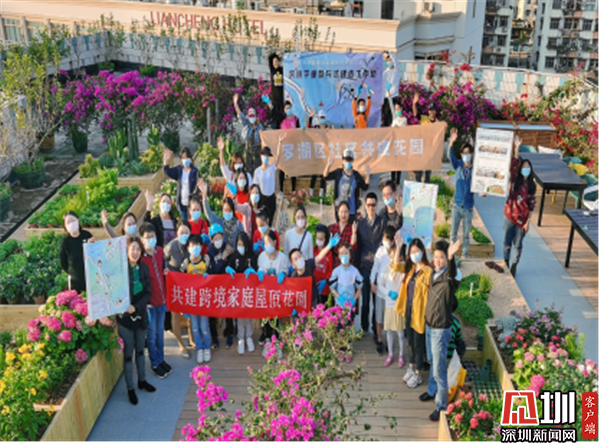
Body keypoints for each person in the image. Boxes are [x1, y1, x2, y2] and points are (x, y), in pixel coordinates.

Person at [419, 239, 461, 422]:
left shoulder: (449, 277)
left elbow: (452, 274)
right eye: (436, 257)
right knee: (431, 361)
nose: (437, 260)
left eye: (441, 257)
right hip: (430, 326)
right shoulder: (434, 273)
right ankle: (432, 390)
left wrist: (451, 258)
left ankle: (441, 406)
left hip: (440, 329)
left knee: (439, 370)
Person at [118, 237, 156, 405]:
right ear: (127, 250)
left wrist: (136, 306)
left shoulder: (143, 269)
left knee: (140, 350)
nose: (135, 252)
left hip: (140, 315)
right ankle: (130, 388)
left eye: (138, 249)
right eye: (132, 248)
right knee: (128, 354)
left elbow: (148, 293)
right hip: (125, 318)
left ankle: (142, 380)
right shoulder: (120, 270)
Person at [393, 237, 432, 390]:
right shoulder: (410, 268)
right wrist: (398, 247)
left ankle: (418, 373)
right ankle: (411, 366)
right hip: (408, 308)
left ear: (422, 251)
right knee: (409, 339)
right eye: (412, 251)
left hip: (420, 311)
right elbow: (396, 266)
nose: (415, 254)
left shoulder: (428, 271)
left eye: (417, 251)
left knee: (418, 342)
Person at [352, 192, 387, 343]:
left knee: (376, 301)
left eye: (373, 205)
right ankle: (364, 327)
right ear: (365, 207)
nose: (371, 208)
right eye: (368, 205)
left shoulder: (382, 222)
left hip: (378, 267)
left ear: (377, 205)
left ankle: (375, 328)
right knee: (365, 301)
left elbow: (395, 229)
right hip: (365, 266)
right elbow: (357, 247)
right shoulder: (360, 224)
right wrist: (357, 267)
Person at [139, 222, 172, 379]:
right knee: (151, 335)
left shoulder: (159, 252)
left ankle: (161, 359)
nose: (150, 240)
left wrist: (166, 272)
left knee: (160, 333)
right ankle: (154, 363)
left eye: (152, 236)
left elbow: (163, 269)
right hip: (150, 305)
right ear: (142, 240)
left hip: (162, 301)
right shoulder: (141, 258)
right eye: (147, 237)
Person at [504, 136, 536, 277]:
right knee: (507, 243)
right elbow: (515, 163)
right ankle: (505, 262)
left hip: (522, 221)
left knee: (518, 245)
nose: (525, 169)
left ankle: (514, 265)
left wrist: (528, 222)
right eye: (524, 167)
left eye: (528, 167)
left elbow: (532, 205)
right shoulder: (515, 180)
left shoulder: (531, 186)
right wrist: (516, 148)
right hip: (510, 216)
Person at [371, 226, 404, 361]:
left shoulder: (397, 254)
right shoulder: (380, 251)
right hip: (382, 291)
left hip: (394, 298)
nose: (385, 242)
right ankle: (380, 341)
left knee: (394, 324)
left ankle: (399, 351)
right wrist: (372, 282)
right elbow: (375, 267)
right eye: (384, 239)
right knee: (380, 318)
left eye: (387, 239)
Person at [329, 241, 364, 362]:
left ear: (350, 255)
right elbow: (332, 288)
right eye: (341, 253)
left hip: (350, 306)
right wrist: (339, 297)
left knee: (348, 328)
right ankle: (341, 350)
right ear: (338, 256)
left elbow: (359, 287)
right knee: (339, 328)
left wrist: (354, 300)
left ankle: (348, 350)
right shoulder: (336, 271)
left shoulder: (355, 271)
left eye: (346, 253)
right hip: (339, 305)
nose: (344, 256)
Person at [164, 220, 194, 358]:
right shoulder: (170, 247)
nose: (184, 235)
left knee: (191, 313)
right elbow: (162, 260)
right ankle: (181, 344)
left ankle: (191, 339)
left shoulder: (192, 245)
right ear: (177, 233)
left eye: (187, 232)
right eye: (182, 232)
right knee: (175, 315)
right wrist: (165, 270)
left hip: (189, 285)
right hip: (174, 285)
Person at [448, 127, 479, 258]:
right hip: (457, 205)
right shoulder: (458, 166)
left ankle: (465, 255)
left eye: (468, 153)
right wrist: (452, 142)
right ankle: (452, 254)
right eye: (464, 153)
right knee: (453, 233)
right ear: (461, 155)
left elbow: (480, 185)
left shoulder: (475, 170)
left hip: (468, 207)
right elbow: (450, 156)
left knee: (466, 234)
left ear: (472, 154)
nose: (466, 155)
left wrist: (483, 192)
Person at [257, 230, 290, 351]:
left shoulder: (282, 258)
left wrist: (283, 273)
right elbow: (260, 268)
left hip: (277, 293)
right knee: (265, 317)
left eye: (269, 242)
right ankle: (267, 338)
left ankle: (275, 340)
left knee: (276, 318)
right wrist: (260, 272)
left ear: (275, 242)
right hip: (265, 293)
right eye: (265, 243)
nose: (267, 245)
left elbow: (286, 270)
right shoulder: (262, 256)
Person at [288, 233, 340, 309]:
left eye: (300, 256)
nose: (299, 259)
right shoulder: (294, 277)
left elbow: (319, 257)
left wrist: (329, 246)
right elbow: (292, 294)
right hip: (302, 303)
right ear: (293, 266)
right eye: (296, 259)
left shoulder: (308, 264)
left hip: (313, 300)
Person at [181, 235, 211, 364]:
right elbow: (179, 279)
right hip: (192, 300)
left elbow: (213, 277)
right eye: (192, 246)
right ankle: (199, 348)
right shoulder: (186, 263)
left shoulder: (206, 260)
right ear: (188, 248)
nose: (195, 248)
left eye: (197, 245)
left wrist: (209, 273)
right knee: (194, 327)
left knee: (204, 326)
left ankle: (207, 347)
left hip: (203, 299)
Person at [227, 231, 258, 354]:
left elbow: (256, 269)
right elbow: (228, 268)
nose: (241, 247)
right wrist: (227, 269)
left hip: (249, 291)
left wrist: (253, 271)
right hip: (237, 291)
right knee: (239, 316)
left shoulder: (251, 256)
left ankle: (249, 337)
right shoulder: (233, 257)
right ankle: (241, 338)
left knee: (249, 316)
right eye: (239, 244)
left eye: (243, 245)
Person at [206, 224, 235, 349]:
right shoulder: (210, 252)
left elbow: (231, 263)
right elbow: (214, 270)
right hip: (214, 285)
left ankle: (230, 333)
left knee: (228, 310)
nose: (218, 240)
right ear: (211, 239)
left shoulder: (227, 247)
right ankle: (214, 337)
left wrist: (229, 257)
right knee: (212, 312)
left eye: (220, 237)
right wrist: (223, 258)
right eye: (215, 238)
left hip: (226, 284)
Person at [323, 148, 370, 222]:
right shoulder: (338, 173)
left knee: (351, 228)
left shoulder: (356, 175)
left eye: (349, 160)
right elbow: (326, 177)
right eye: (346, 160)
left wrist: (368, 174)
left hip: (352, 211)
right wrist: (328, 165)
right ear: (343, 160)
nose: (347, 162)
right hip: (340, 210)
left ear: (352, 161)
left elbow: (365, 187)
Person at [199, 178, 244, 247]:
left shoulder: (238, 224)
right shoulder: (219, 222)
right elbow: (208, 213)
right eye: (225, 210)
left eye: (229, 210)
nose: (227, 212)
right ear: (222, 211)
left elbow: (242, 241)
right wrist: (204, 196)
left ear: (233, 211)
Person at [59, 211, 94, 293]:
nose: (71, 224)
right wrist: (72, 272)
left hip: (90, 277)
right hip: (76, 282)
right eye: (68, 222)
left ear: (78, 220)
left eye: (73, 220)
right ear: (65, 226)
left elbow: (95, 253)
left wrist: (91, 246)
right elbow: (63, 262)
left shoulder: (87, 235)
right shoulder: (66, 241)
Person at [163, 148, 199, 221]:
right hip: (182, 203)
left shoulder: (195, 171)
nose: (185, 160)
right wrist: (166, 161)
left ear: (191, 159)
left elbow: (199, 185)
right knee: (184, 222)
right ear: (181, 160)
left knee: (192, 222)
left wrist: (196, 197)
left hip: (191, 204)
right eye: (183, 158)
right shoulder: (179, 170)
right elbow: (167, 171)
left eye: (187, 157)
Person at [233, 92, 264, 173]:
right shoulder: (247, 123)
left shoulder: (259, 126)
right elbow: (240, 115)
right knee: (248, 168)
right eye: (250, 116)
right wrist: (235, 104)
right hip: (248, 149)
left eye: (253, 116)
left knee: (257, 168)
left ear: (255, 116)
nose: (251, 118)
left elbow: (263, 137)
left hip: (257, 149)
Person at [412, 93, 438, 184]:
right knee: (419, 172)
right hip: (421, 149)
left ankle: (427, 189)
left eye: (433, 110)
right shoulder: (424, 119)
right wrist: (414, 104)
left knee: (428, 173)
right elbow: (416, 114)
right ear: (428, 112)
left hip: (430, 151)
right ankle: (417, 187)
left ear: (436, 112)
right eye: (430, 110)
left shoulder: (438, 123)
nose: (432, 112)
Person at [306, 108, 330, 197]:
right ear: (318, 118)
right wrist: (310, 118)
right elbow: (308, 129)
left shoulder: (329, 128)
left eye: (323, 117)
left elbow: (334, 138)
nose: (322, 119)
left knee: (324, 173)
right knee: (315, 173)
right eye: (321, 117)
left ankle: (321, 191)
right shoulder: (315, 127)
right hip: (316, 154)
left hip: (325, 154)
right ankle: (311, 191)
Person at [328, 201, 357, 268]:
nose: (343, 215)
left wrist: (354, 233)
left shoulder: (351, 229)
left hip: (347, 263)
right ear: (338, 212)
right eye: (341, 212)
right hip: (334, 262)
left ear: (349, 212)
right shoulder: (333, 227)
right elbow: (330, 248)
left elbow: (353, 249)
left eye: (346, 212)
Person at [313, 225, 334, 306]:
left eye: (321, 239)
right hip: (314, 284)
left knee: (323, 307)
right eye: (317, 238)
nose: (319, 241)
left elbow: (330, 269)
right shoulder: (313, 250)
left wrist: (326, 280)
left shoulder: (329, 253)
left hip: (324, 287)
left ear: (326, 239)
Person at [268, 52, 284, 128]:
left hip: (282, 96)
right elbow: (270, 57)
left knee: (281, 114)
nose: (275, 63)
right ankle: (276, 128)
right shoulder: (272, 70)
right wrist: (276, 54)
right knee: (275, 114)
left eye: (277, 61)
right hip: (275, 97)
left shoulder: (282, 70)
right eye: (274, 62)